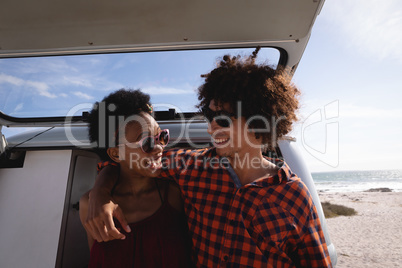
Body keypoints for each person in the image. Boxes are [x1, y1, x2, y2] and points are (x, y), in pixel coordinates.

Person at [85, 48, 333, 267]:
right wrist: (100, 195)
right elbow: (128, 161)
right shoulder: (191, 168)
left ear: (260, 122)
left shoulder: (295, 197)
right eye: (209, 116)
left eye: (223, 119)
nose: (211, 128)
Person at [79, 89, 193, 267]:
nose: (159, 148)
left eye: (161, 137)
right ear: (116, 154)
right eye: (146, 143)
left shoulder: (173, 194)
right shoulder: (90, 204)